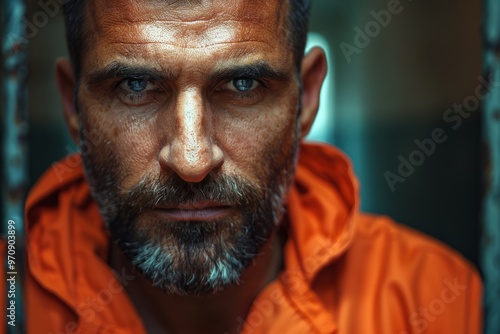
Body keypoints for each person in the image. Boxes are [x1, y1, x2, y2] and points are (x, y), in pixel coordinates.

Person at [9, 0, 482, 333]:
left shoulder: (434, 302)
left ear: (307, 97)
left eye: (242, 84)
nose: (192, 160)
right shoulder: (13, 303)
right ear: (73, 104)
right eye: (134, 85)